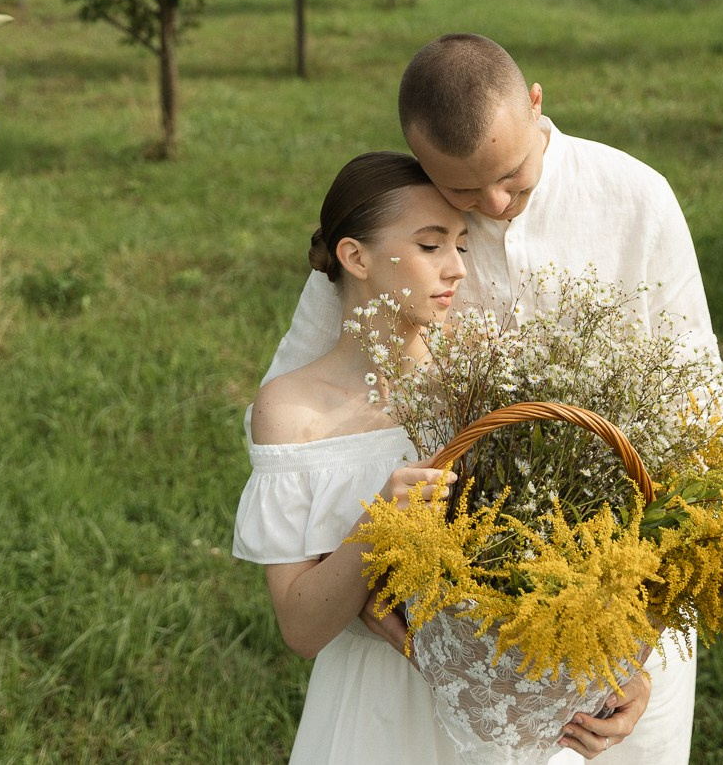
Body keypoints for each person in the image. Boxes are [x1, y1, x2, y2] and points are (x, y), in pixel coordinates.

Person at [264, 33, 719, 765]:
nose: (496, 203)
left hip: (622, 639)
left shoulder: (634, 200)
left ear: (536, 102)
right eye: (466, 192)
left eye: (512, 176)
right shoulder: (406, 224)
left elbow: (701, 427)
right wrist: (364, 584)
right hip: (441, 662)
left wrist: (641, 644)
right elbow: (308, 431)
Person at [235, 151, 643, 763]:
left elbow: (578, 543)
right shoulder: (293, 411)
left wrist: (616, 663)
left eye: (461, 246)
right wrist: (378, 528)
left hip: (511, 693)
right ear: (355, 256)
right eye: (430, 246)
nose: (455, 268)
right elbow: (300, 628)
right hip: (380, 705)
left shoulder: (484, 379)